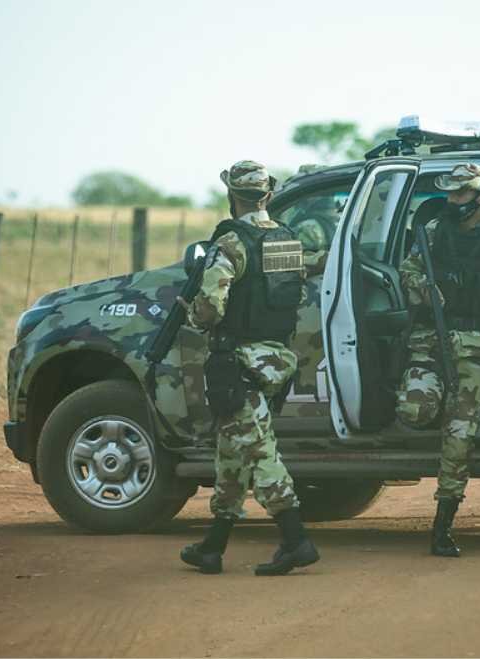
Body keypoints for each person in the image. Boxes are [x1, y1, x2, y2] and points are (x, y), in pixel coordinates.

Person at [179, 160, 319, 576]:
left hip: (237, 360)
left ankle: (296, 540)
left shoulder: (231, 244)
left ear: (232, 197)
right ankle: (213, 545)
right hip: (274, 359)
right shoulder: (286, 240)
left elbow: (210, 307)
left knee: (259, 449)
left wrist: (194, 319)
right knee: (232, 450)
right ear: (268, 196)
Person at [395, 163, 480, 557]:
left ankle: (443, 523)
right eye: (449, 194)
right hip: (432, 340)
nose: (452, 201)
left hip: (477, 343)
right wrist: (423, 287)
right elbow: (407, 268)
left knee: (460, 433)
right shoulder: (432, 233)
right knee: (415, 407)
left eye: (461, 194)